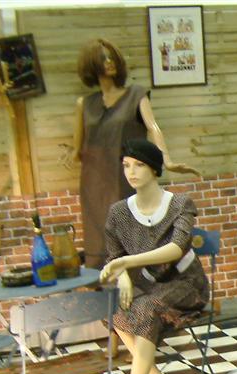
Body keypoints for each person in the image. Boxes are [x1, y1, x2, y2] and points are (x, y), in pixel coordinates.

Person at [67, 39, 198, 269]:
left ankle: (142, 279)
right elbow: (77, 149)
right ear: (92, 64)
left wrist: (166, 160)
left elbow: (153, 127)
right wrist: (70, 154)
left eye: (112, 57)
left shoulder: (136, 95)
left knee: (133, 227)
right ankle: (105, 282)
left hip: (127, 176)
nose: (109, 62)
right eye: (103, 58)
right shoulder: (84, 104)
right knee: (99, 236)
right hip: (94, 181)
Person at [98, 140, 208, 374]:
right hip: (150, 285)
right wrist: (123, 277)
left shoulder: (180, 204)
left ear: (155, 169)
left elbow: (176, 248)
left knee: (145, 308)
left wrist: (127, 263)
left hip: (186, 283)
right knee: (111, 306)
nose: (131, 172)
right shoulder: (118, 212)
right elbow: (115, 256)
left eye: (139, 165)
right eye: (126, 165)